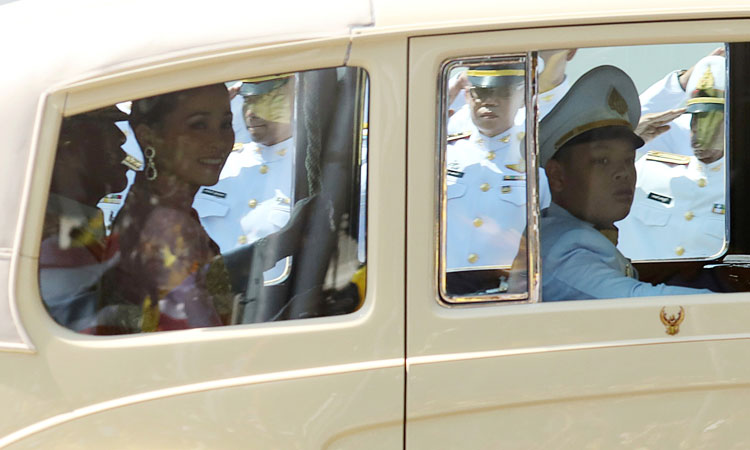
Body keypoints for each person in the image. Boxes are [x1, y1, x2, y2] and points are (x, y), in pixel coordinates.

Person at [509, 65, 712, 301]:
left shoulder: (571, 231)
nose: (623, 173)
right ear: (556, 176)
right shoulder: (566, 250)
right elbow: (634, 300)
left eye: (628, 159)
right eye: (602, 160)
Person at [96, 84, 236, 334]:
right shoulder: (166, 228)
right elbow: (205, 345)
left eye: (225, 124)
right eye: (198, 125)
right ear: (148, 136)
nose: (218, 141)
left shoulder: (162, 208)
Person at [617, 55, 727, 260]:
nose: (699, 130)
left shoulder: (738, 192)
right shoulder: (649, 171)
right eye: (695, 118)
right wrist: (627, 138)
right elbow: (583, 189)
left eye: (713, 121)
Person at [445, 65, 551, 276]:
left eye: (503, 93)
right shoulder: (444, 156)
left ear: (522, 98)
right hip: (445, 293)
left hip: (506, 292)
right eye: (481, 93)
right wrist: (452, 88)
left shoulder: (536, 161)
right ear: (467, 96)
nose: (490, 101)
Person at [193, 74, 295, 283]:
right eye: (247, 100)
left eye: (264, 100)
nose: (250, 113)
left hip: (272, 302)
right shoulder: (220, 165)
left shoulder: (307, 165)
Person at [39, 106, 131, 330]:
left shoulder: (75, 224)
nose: (120, 137)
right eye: (102, 127)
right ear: (65, 148)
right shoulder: (55, 240)